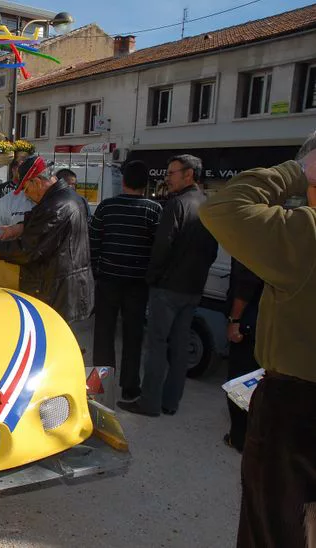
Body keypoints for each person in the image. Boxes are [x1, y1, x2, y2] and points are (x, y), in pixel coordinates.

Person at [199, 132, 316, 548]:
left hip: (296, 408)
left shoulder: (307, 234)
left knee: (274, 527)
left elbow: (224, 208)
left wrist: (296, 171)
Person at [118, 154, 218, 417]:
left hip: (168, 288)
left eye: (171, 173)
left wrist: (152, 277)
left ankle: (149, 402)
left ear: (188, 175)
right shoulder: (208, 205)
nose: (167, 178)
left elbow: (162, 248)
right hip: (193, 288)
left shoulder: (176, 205)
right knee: (179, 345)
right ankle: (170, 402)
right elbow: (212, 252)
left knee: (157, 345)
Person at [89, 160, 162, 401]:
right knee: (133, 336)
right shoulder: (154, 210)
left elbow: (94, 241)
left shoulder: (106, 207)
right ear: (146, 184)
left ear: (123, 181)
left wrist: (98, 271)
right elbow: (157, 248)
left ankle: (99, 387)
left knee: (103, 333)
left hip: (108, 279)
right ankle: (130, 387)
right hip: (138, 283)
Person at [0, 155, 93, 324]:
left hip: (60, 291)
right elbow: (41, 221)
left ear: (36, 182)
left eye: (26, 189)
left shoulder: (56, 205)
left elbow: (28, 249)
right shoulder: (66, 196)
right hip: (68, 286)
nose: (26, 195)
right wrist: (18, 227)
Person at [222, 258, 262, 453]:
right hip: (268, 323)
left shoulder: (255, 244)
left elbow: (247, 282)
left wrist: (235, 320)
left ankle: (239, 438)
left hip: (250, 322)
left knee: (240, 382)